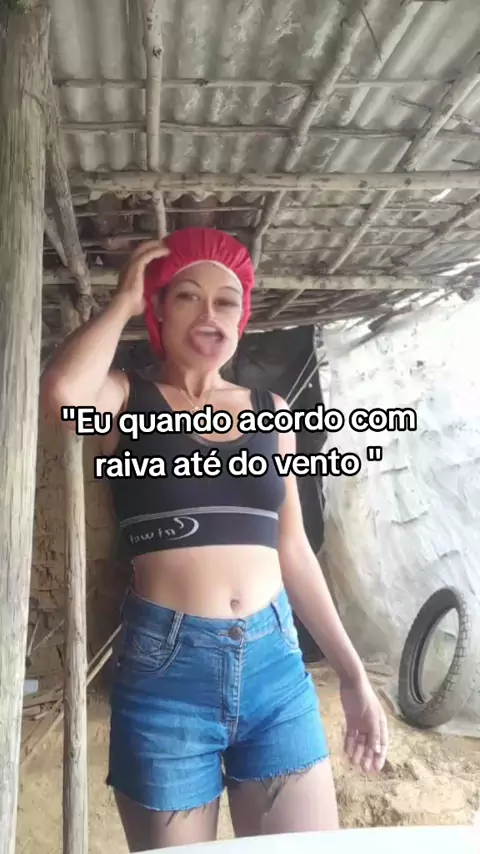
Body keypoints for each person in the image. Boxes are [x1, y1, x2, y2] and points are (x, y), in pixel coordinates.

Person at [41, 227, 388, 850]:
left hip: (276, 669)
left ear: (242, 317)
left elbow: (293, 551)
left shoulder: (272, 411)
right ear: (158, 310)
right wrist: (123, 302)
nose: (210, 313)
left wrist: (353, 673)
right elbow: (63, 394)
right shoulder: (126, 398)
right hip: (166, 676)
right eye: (187, 297)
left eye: (226, 301)